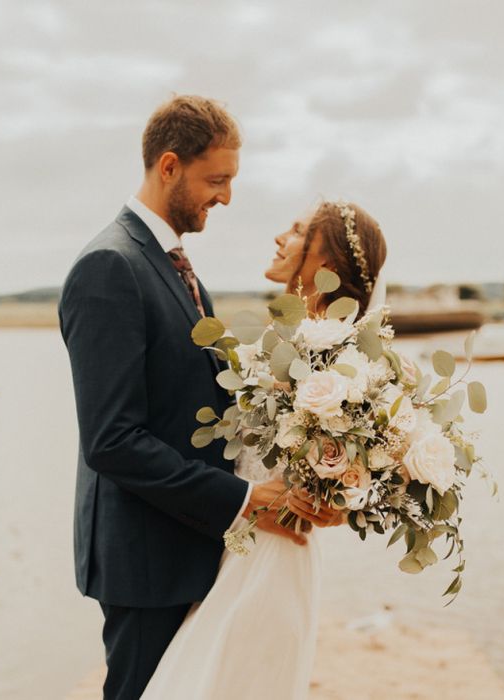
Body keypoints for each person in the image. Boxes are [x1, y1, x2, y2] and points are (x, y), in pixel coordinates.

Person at [58, 95, 333, 700]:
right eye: (218, 180)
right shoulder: (110, 266)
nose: (227, 197)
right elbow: (112, 440)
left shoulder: (174, 265)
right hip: (145, 559)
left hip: (191, 546)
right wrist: (243, 499)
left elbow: (201, 404)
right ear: (169, 166)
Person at [140, 200, 388, 699]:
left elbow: (350, 469)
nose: (280, 237)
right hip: (238, 538)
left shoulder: (339, 360)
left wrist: (330, 500)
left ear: (327, 265)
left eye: (297, 231)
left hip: (275, 551)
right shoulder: (284, 340)